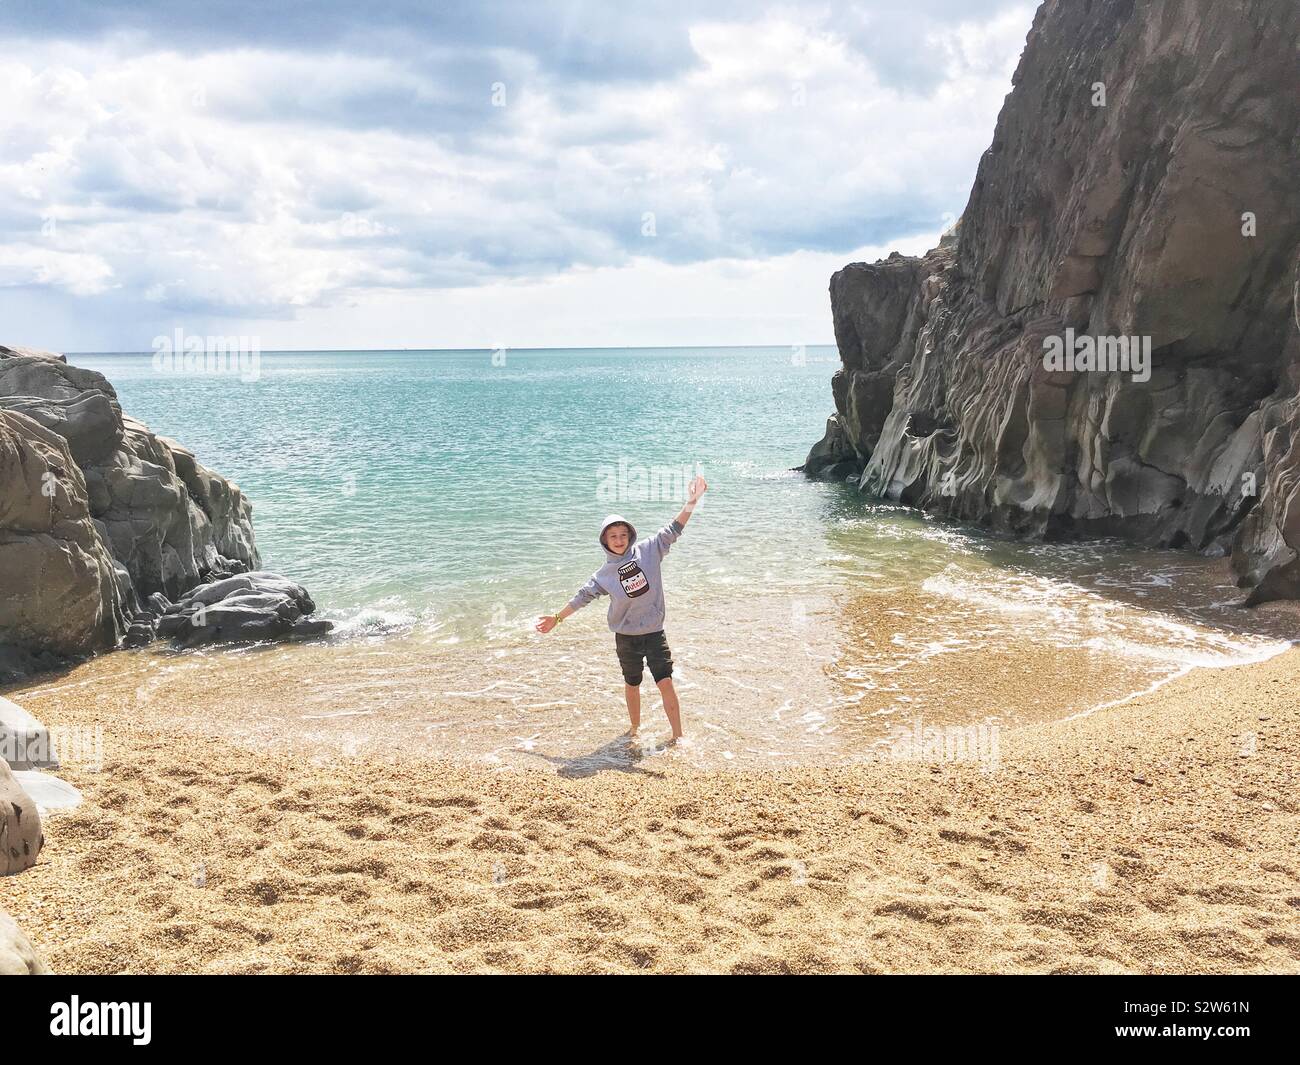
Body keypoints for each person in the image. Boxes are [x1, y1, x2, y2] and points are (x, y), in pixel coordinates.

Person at [535, 475, 707, 743]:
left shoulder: (649, 550)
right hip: (625, 638)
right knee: (632, 684)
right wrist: (557, 618)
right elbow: (582, 597)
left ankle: (678, 737)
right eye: (612, 536)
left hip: (654, 633)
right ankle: (635, 731)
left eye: (622, 535)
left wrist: (692, 501)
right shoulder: (603, 575)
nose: (618, 540)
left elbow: (674, 529)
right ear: (605, 541)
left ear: (630, 536)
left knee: (666, 682)